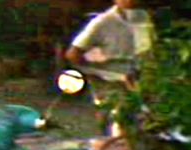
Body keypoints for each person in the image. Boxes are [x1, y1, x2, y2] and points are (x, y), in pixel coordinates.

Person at [65, 0, 154, 135]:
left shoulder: (144, 17)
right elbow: (73, 54)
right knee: (118, 119)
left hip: (140, 77)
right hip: (110, 79)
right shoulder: (102, 22)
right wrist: (100, 70)